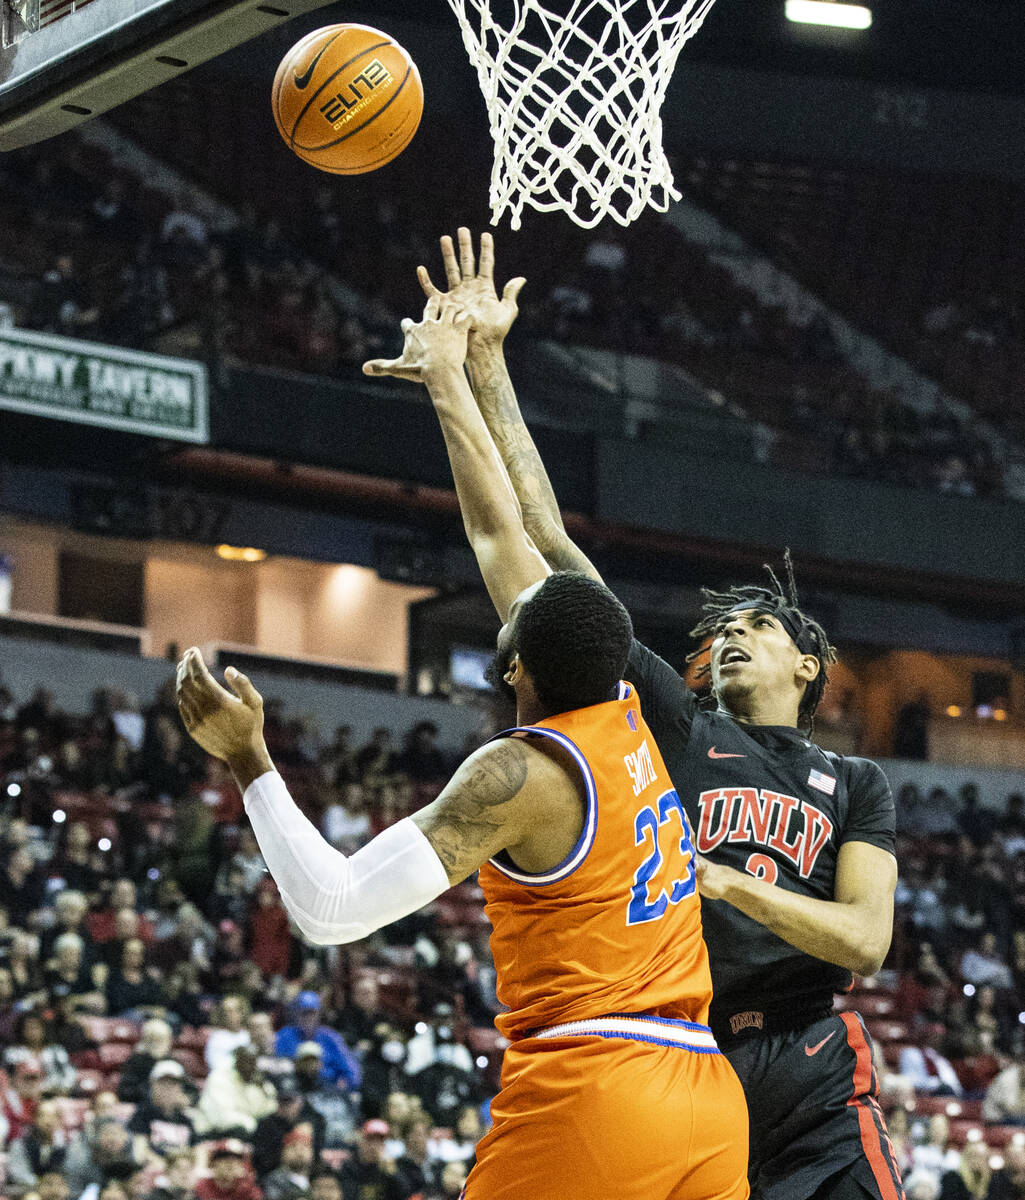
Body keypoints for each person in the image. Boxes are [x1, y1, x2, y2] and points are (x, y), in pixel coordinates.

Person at [362, 227, 903, 1200]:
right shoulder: (678, 721)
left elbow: (863, 940)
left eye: (756, 627)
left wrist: (726, 885)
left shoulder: (857, 783)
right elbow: (546, 543)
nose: (730, 637)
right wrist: (487, 366)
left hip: (815, 1056)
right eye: (721, 629)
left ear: (809, 663)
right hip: (691, 1056)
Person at [175, 565, 749, 1199]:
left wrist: (246, 756)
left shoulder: (519, 773)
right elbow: (503, 541)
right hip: (709, 1099)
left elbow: (329, 908)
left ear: (513, 669)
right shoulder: (629, 717)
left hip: (599, 1087)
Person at [273, 992, 361, 1091]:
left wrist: (344, 1085)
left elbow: (352, 1072)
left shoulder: (330, 1037)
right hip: (294, 1089)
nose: (308, 1017)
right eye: (304, 1013)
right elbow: (276, 1064)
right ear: (295, 1014)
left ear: (318, 1014)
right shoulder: (285, 1036)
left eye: (312, 1013)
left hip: (327, 1091)